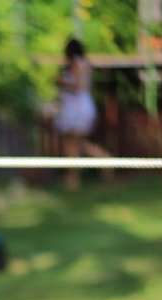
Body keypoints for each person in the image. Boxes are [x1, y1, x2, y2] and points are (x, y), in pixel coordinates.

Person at [54, 38, 112, 189]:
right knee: (75, 143)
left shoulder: (77, 64)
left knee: (72, 143)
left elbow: (78, 86)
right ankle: (100, 161)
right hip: (78, 107)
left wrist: (61, 81)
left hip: (77, 109)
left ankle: (101, 161)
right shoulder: (84, 63)